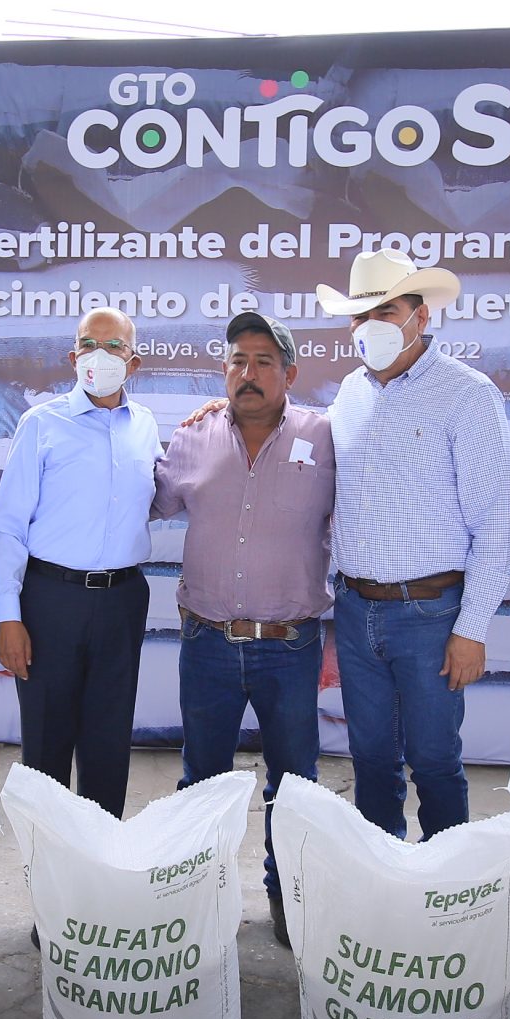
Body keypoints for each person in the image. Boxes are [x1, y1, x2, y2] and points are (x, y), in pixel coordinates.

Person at [154, 310, 335, 945]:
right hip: (206, 641)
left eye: (263, 362)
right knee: (201, 780)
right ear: (223, 370)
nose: (248, 373)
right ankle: (198, 896)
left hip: (290, 645)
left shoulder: (325, 437)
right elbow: (150, 502)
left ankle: (287, 896)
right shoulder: (193, 436)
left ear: (290, 374)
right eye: (237, 361)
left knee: (295, 784)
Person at [320, 250, 510, 840]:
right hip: (356, 610)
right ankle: (381, 874)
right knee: (371, 760)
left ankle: (446, 880)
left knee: (434, 761)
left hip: (431, 616)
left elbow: (495, 523)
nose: (370, 325)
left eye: (386, 311)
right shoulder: (349, 392)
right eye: (360, 315)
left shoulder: (466, 393)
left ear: (420, 317)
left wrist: (471, 628)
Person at [0, 306, 159, 816]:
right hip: (50, 601)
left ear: (133, 363)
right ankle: (46, 856)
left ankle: (101, 852)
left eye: (113, 346)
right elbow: (9, 526)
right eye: (89, 344)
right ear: (72, 357)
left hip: (122, 600)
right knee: (46, 743)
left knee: (109, 741)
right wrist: (8, 617)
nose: (98, 356)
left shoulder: (145, 426)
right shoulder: (41, 423)